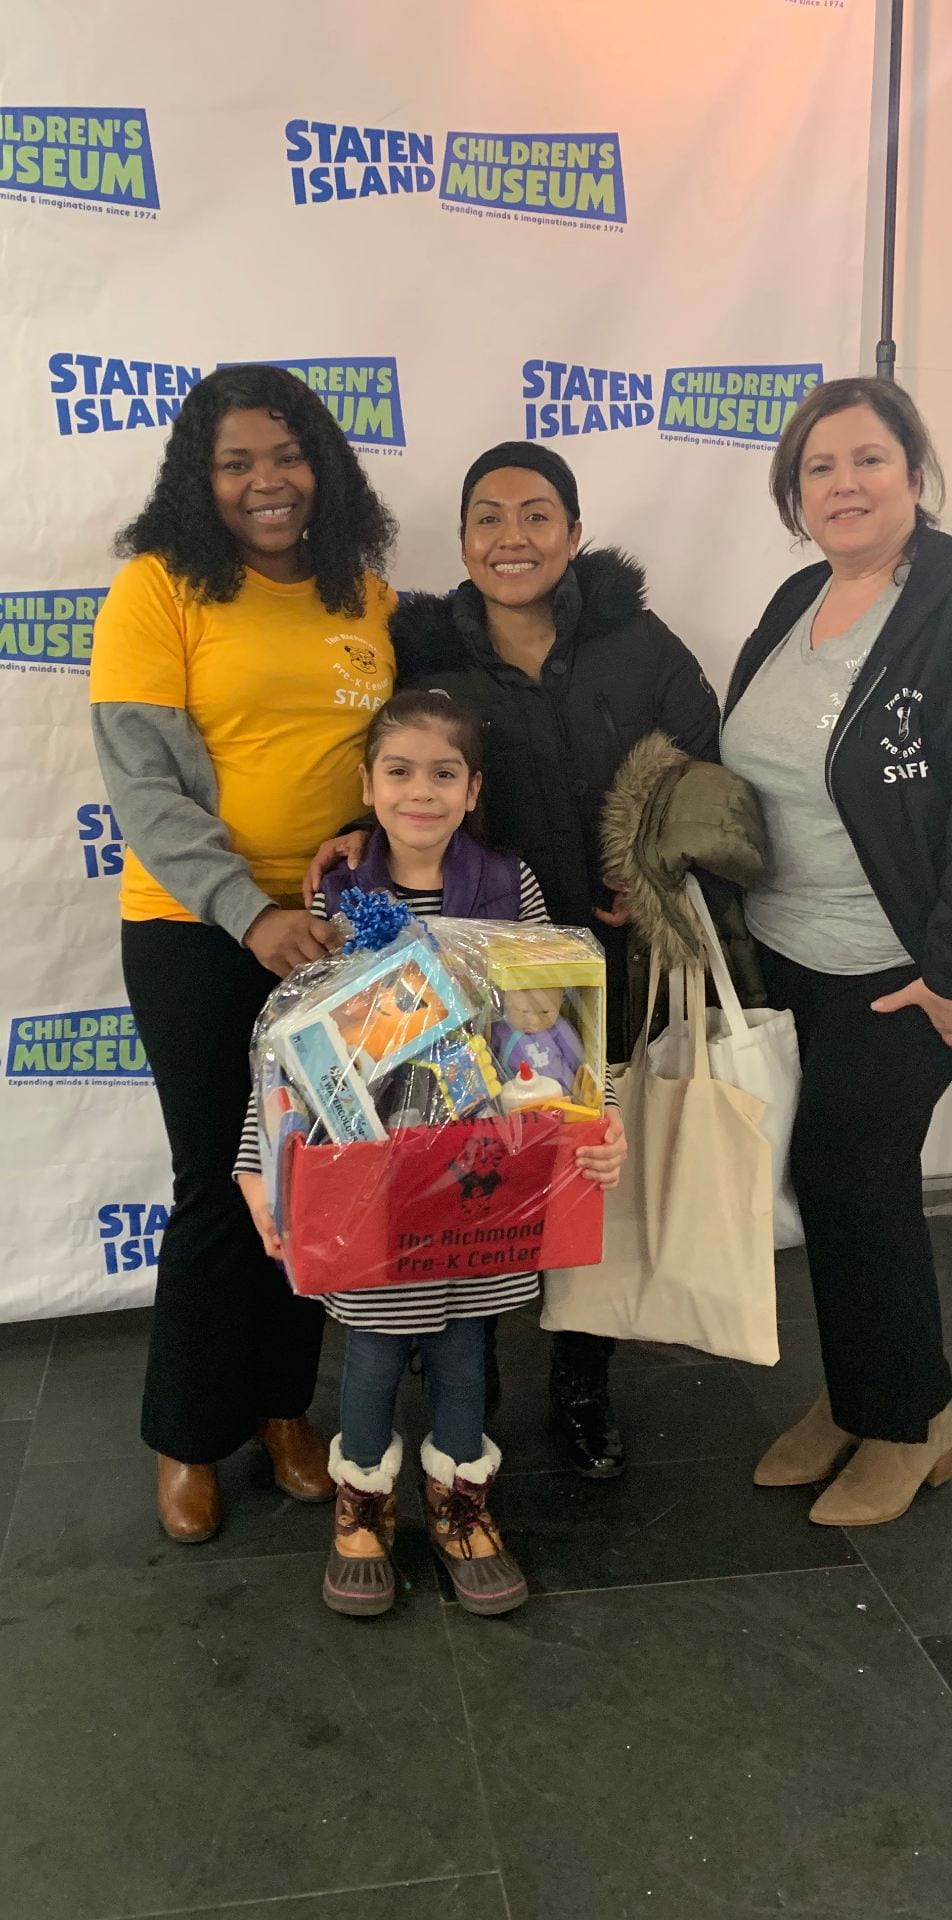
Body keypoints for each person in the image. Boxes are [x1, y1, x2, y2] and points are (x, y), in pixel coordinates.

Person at [304, 442, 719, 1477]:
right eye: (488, 517)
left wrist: (661, 867)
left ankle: (582, 1381)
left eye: (537, 515)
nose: (512, 537)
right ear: (463, 542)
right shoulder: (429, 658)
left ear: (574, 534)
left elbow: (702, 771)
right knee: (463, 1156)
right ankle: (470, 1362)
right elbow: (395, 763)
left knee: (583, 1164)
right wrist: (358, 834)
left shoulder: (639, 644)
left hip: (606, 966)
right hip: (461, 969)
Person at [89, 364, 398, 1544]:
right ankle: (186, 1438)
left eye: (285, 454)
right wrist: (246, 910)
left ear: (320, 463)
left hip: (332, 934)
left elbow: (386, 755)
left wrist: (367, 841)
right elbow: (147, 789)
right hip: (194, 934)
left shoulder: (362, 592)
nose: (266, 481)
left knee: (314, 1182)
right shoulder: (156, 591)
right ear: (199, 479)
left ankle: (281, 1412)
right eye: (235, 462)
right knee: (224, 1186)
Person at [234, 690, 626, 1617]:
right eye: (399, 771)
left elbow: (559, 1026)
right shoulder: (332, 897)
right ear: (367, 786)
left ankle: (462, 1506)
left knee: (463, 1345)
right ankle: (361, 1504)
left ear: (473, 787)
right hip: (366, 1177)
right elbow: (286, 1049)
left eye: (443, 773)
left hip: (484, 1175)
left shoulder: (511, 887)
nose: (421, 791)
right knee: (370, 1350)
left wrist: (597, 1128)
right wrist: (256, 1165)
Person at [719, 374, 952, 1526]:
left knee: (861, 1176)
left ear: (914, 473)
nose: (843, 484)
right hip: (794, 956)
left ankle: (915, 1423)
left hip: (907, 968)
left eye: (867, 460)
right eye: (819, 469)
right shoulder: (802, 597)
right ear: (794, 495)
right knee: (829, 1180)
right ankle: (856, 1399)